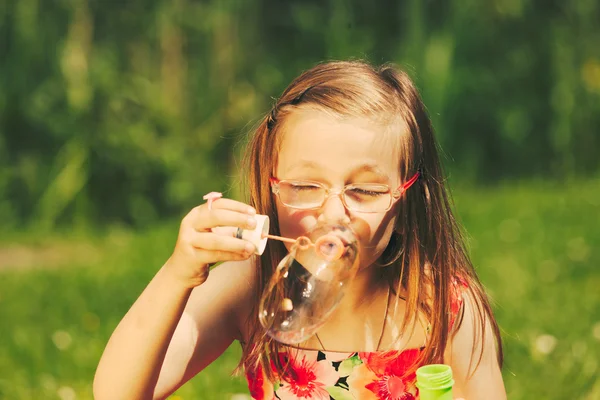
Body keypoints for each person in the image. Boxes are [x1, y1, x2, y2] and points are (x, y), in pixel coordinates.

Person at [94, 60, 506, 399]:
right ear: (272, 185)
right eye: (306, 187)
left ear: (409, 195)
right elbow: (116, 394)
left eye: (364, 189)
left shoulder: (445, 309)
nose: (334, 213)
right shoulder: (249, 286)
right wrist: (178, 273)